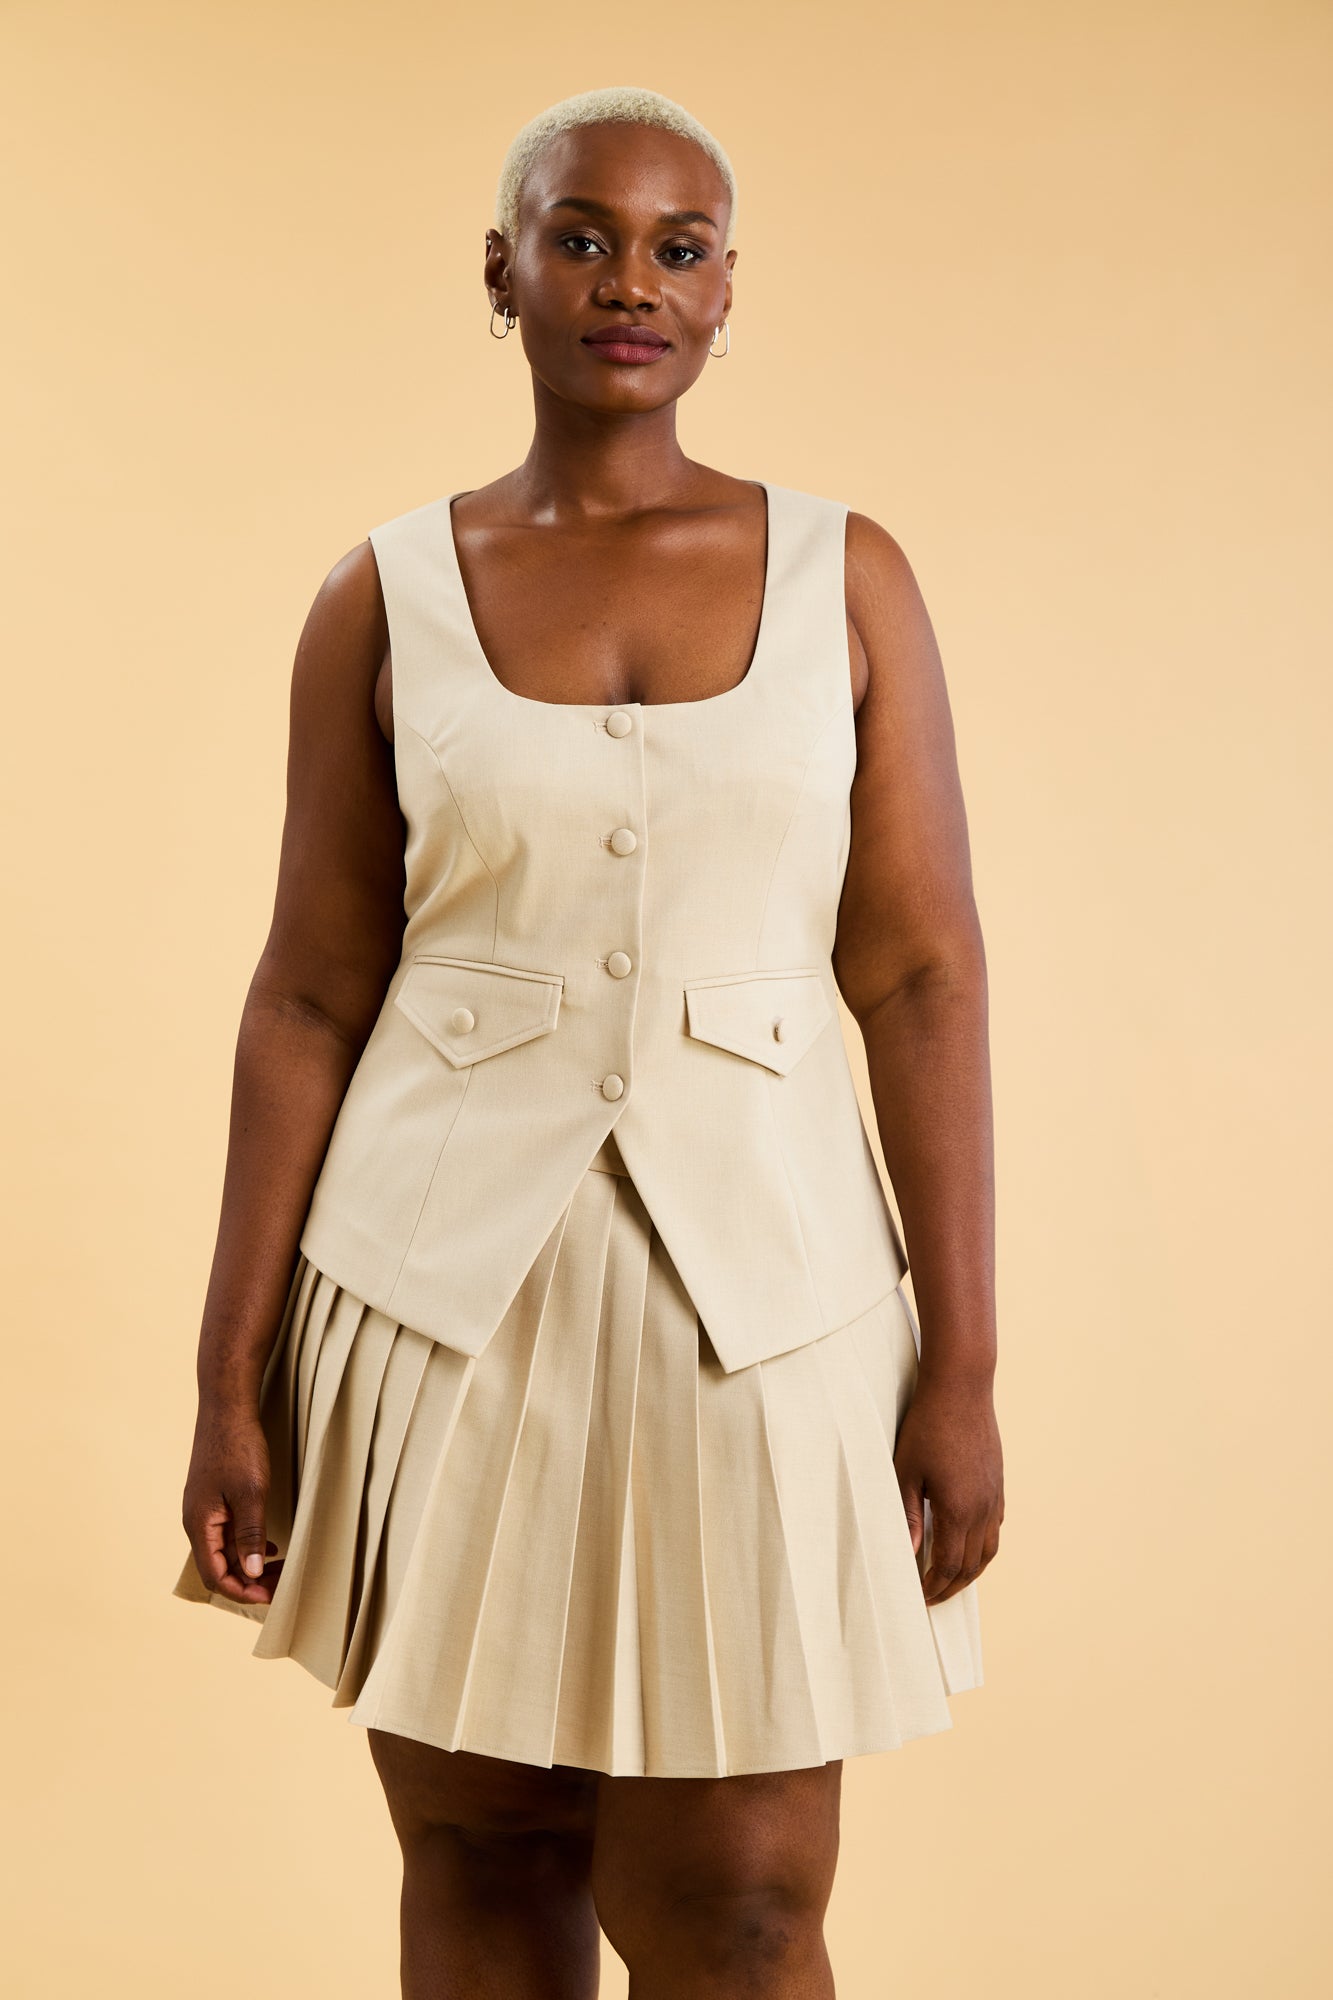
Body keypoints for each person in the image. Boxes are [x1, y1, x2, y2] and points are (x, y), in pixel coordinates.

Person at [173, 83, 1003, 1999]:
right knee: (482, 1855)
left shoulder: (846, 576)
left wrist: (962, 1363)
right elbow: (307, 987)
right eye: (581, 236)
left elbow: (921, 974)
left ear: (725, 297)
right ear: (503, 272)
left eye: (676, 246)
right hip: (439, 1295)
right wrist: (228, 1372)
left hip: (770, 1304)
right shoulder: (376, 593)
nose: (630, 278)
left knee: (744, 1909)